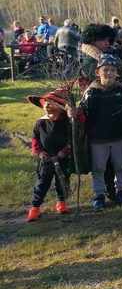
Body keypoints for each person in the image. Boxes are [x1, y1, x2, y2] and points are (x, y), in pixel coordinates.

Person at [73, 54, 122, 210]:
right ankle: (99, 194)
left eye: (112, 70)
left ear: (117, 73)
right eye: (105, 70)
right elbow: (84, 115)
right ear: (98, 72)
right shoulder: (90, 92)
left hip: (120, 136)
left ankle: (121, 191)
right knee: (98, 168)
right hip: (98, 138)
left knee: (121, 165)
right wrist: (76, 114)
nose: (109, 73)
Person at [25, 89, 74, 222]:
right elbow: (35, 139)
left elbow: (71, 140)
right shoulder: (40, 123)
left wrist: (64, 151)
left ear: (59, 107)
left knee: (62, 181)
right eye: (45, 102)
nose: (46, 105)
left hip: (62, 157)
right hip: (46, 158)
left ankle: (61, 203)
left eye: (50, 102)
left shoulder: (66, 122)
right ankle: (35, 208)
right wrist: (40, 152)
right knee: (42, 182)